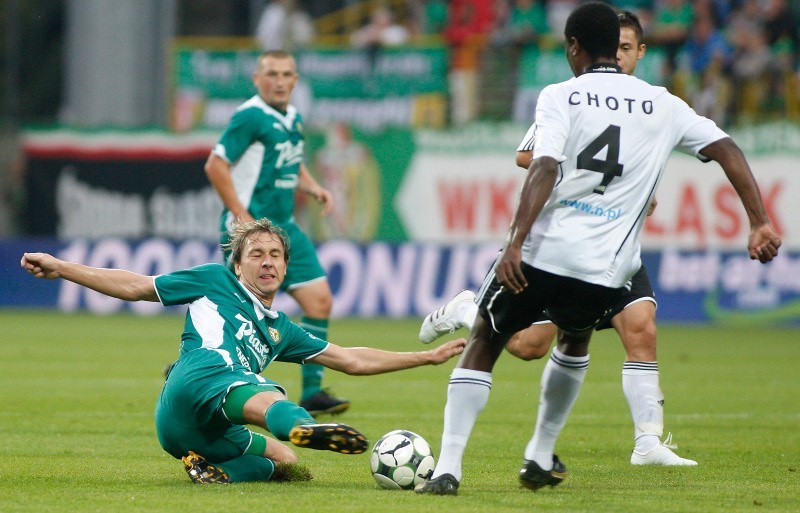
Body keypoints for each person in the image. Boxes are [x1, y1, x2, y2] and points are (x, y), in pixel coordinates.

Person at [415, 1, 780, 495]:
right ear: (619, 47)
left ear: (573, 46)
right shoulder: (663, 103)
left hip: (546, 253)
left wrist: (515, 243)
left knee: (487, 341)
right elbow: (726, 149)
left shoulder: (561, 95)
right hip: (604, 268)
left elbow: (542, 166)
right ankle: (539, 456)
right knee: (572, 342)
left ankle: (448, 470)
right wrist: (758, 221)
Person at [419, 10, 695, 467]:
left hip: (618, 249)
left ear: (640, 52)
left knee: (642, 328)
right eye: (616, 48)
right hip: (562, 246)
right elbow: (529, 154)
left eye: (628, 49)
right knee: (529, 347)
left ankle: (648, 443)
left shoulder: (652, 104)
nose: (620, 57)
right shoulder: (573, 97)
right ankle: (468, 309)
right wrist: (586, 176)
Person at [20, 218, 466, 484]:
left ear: (287, 268)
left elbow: (350, 359)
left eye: (275, 254)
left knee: (286, 463)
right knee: (265, 392)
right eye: (256, 254)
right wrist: (62, 268)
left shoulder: (282, 329)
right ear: (239, 264)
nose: (267, 261)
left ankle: (217, 473)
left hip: (195, 432)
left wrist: (424, 358)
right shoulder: (216, 280)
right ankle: (302, 425)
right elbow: (137, 286)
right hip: (196, 380)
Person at [204, 50, 347, 417]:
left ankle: (313, 393)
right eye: (271, 74)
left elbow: (292, 161)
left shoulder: (295, 117)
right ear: (257, 79)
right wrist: (241, 216)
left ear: (295, 80)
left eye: (286, 74)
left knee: (319, 302)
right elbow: (215, 165)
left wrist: (313, 187)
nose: (279, 81)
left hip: (287, 228)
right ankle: (195, 368)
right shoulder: (250, 116)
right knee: (233, 315)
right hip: (251, 231)